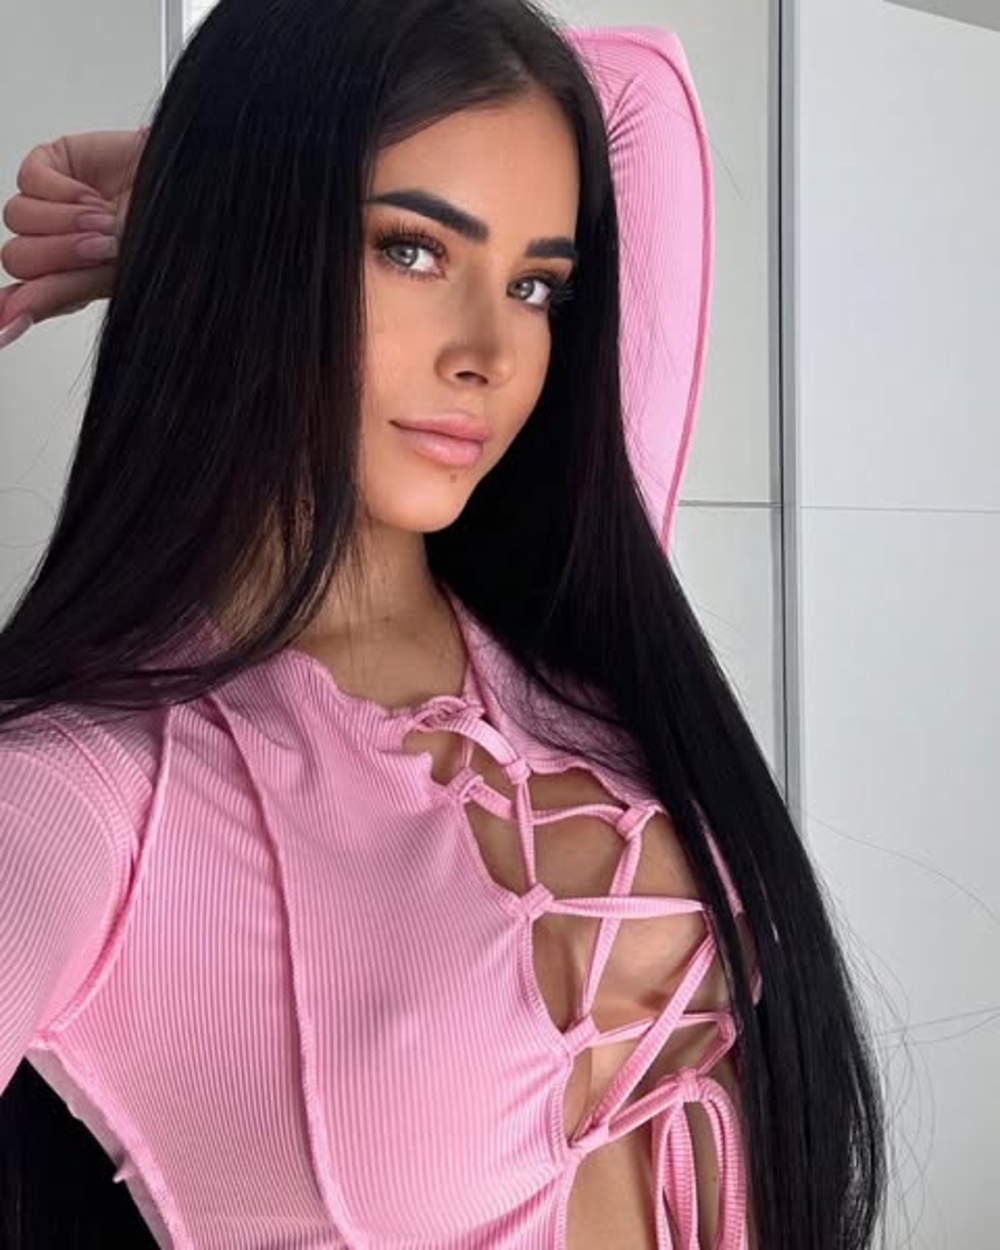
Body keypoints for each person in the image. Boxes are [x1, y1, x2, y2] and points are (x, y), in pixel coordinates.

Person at [0, 1, 886, 1247]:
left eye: (534, 285)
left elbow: (636, 100)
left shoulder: (576, 630)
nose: (490, 354)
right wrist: (233, 191)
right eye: (412, 250)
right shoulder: (85, 794)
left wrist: (207, 179)